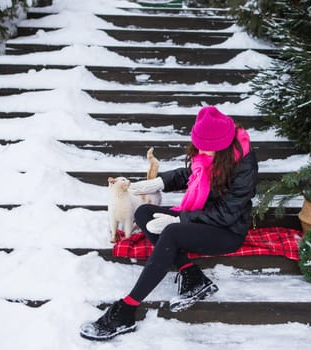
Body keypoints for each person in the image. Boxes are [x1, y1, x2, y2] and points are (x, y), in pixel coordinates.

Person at [80, 106, 259, 341]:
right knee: (144, 213)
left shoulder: (244, 164)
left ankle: (127, 308)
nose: (202, 150)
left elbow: (227, 214)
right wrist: (158, 183)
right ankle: (192, 275)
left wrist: (180, 218)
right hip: (201, 219)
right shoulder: (209, 153)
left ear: (224, 144)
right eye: (199, 145)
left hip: (227, 231)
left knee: (172, 231)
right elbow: (191, 175)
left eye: (208, 146)